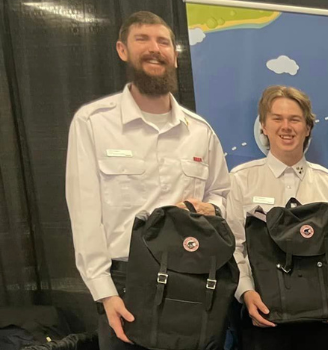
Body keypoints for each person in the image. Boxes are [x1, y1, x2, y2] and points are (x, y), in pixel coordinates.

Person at [65, 11, 230, 350]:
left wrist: (211, 207)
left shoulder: (200, 132)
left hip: (192, 279)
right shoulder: (94, 123)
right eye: (143, 39)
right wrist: (104, 293)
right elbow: (84, 216)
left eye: (163, 42)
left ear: (175, 56)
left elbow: (222, 193)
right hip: (126, 285)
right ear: (122, 49)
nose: (155, 49)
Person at [226, 86, 328, 349]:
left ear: (307, 128)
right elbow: (235, 247)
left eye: (295, 119)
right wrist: (246, 293)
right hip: (264, 320)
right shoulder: (240, 180)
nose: (286, 127)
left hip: (321, 321)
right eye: (277, 119)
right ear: (263, 126)